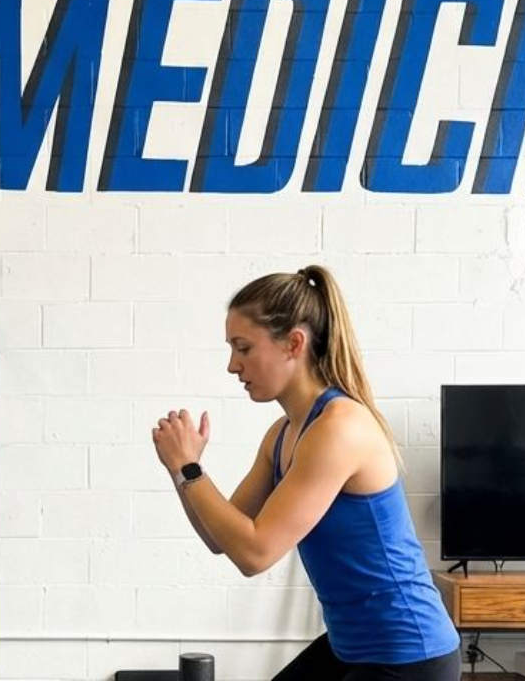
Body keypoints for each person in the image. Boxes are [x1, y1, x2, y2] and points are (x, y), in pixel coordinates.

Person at [151, 266, 461, 681]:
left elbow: (255, 553)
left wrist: (190, 469)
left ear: (293, 343)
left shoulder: (339, 429)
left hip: (408, 655)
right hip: (351, 647)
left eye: (243, 348)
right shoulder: (281, 435)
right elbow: (219, 538)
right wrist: (181, 471)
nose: (231, 365)